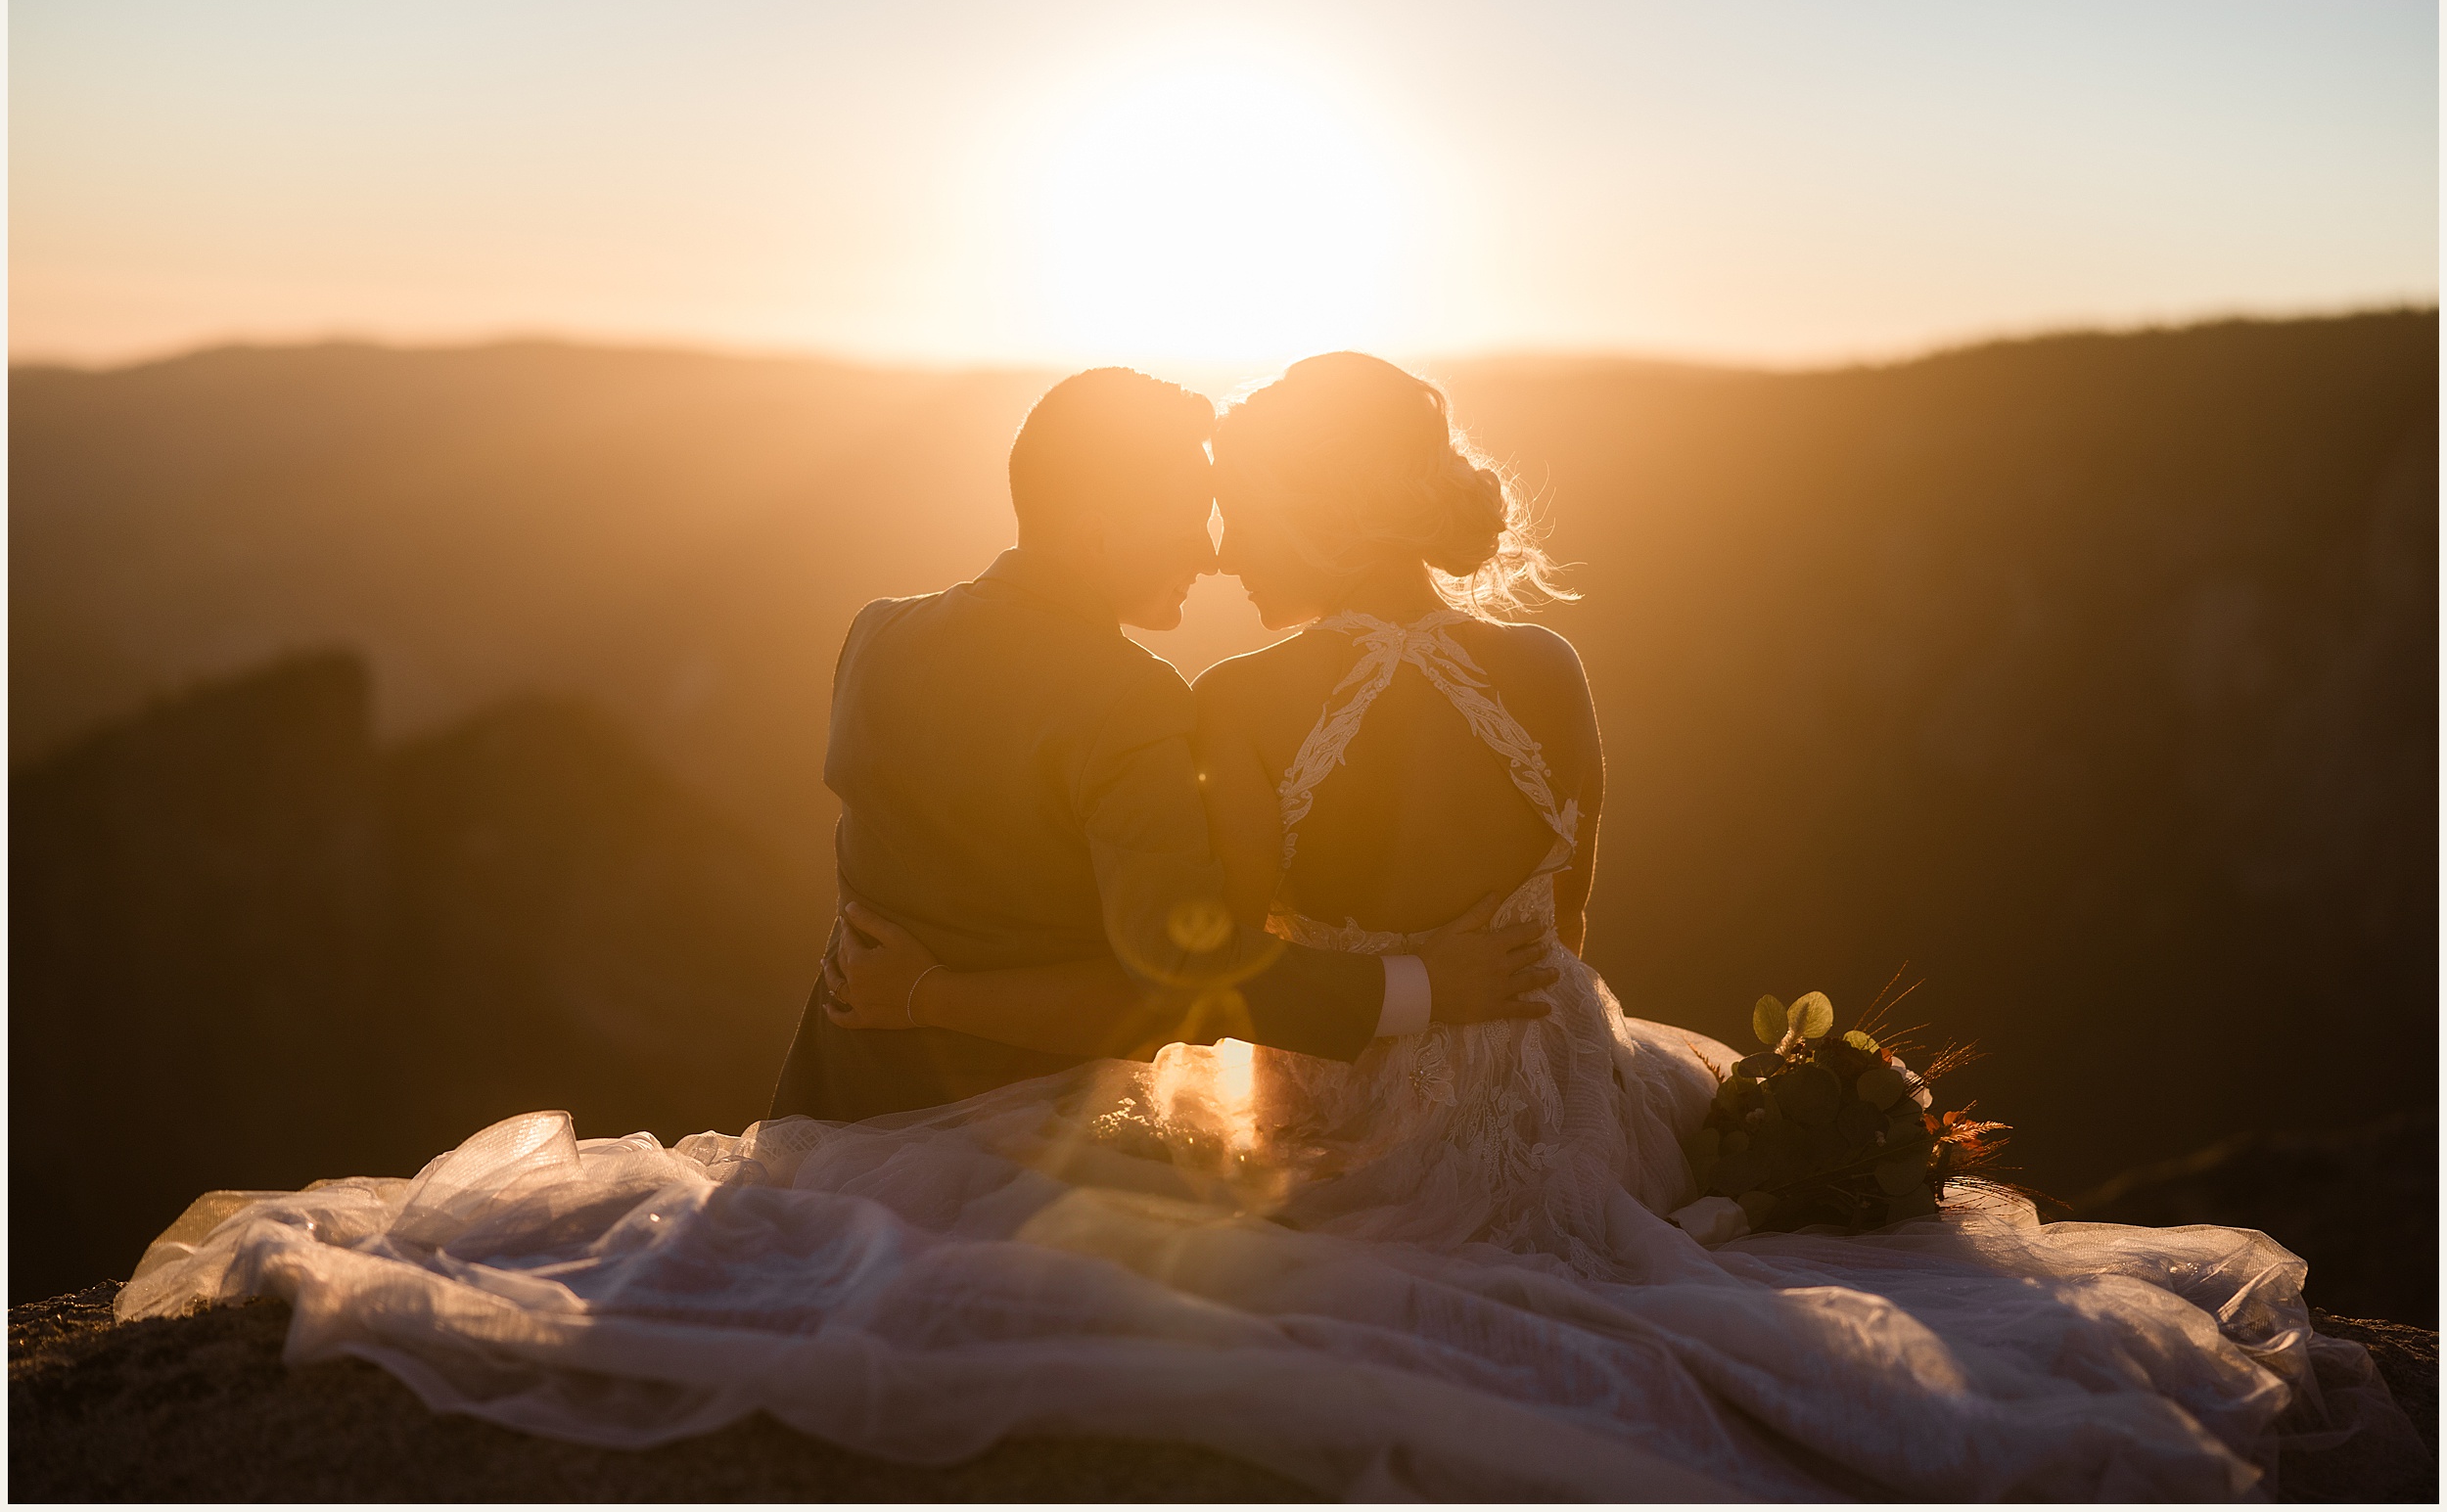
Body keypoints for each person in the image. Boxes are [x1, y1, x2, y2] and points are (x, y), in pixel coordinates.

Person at [119, 356, 2417, 1499]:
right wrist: (1495, 997)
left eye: (1238, 486)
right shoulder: (1555, 669)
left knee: (1098, 1246)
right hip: (1563, 1080)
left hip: (1356, 1104)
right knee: (1673, 1169)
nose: (1211, 520)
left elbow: (1236, 978)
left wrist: (1360, 997)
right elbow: (1579, 914)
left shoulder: (1230, 705)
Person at [768, 365, 1554, 1123]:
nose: (1209, 553)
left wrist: (913, 992)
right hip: (1012, 1142)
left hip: (836, 1108)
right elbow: (1182, 971)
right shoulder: (1128, 698)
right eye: (1187, 518)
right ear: (1097, 536)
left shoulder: (875, 634)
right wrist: (1422, 987)